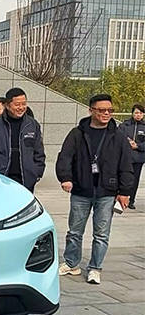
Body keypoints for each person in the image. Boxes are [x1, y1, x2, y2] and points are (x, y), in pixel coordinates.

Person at [56, 94, 133, 284]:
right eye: (101, 110)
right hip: (81, 190)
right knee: (75, 231)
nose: (106, 113)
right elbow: (65, 157)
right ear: (91, 110)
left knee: (101, 234)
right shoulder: (77, 133)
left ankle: (95, 268)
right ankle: (72, 263)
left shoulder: (118, 136)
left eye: (110, 110)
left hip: (107, 191)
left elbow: (126, 165)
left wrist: (125, 192)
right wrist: (66, 178)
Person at [0, 88, 45, 192]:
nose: (21, 107)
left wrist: (36, 173)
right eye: (17, 104)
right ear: (7, 106)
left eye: (24, 104)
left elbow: (39, 152)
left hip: (25, 181)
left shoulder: (32, 125)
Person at [119, 104, 145, 209]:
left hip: (138, 158)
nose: (138, 115)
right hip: (125, 157)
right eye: (136, 113)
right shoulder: (124, 125)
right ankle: (120, 197)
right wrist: (128, 143)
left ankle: (131, 200)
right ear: (132, 113)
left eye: (141, 113)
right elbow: (118, 138)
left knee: (135, 180)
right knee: (123, 177)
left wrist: (138, 146)